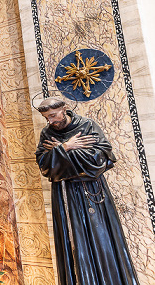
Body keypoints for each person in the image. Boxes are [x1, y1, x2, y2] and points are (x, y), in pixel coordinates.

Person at [35, 97, 140, 285]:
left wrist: (60, 154)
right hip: (64, 194)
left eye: (53, 116)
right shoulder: (46, 133)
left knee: (102, 238)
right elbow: (45, 167)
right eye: (46, 118)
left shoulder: (87, 125)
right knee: (74, 241)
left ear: (64, 109)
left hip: (93, 192)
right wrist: (66, 146)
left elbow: (102, 158)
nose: (51, 121)